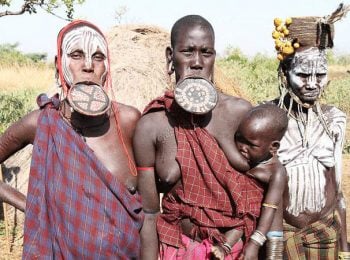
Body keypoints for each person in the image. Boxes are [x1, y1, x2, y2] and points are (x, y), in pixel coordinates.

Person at [0, 20, 144, 258]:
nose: (88, 66)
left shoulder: (127, 121)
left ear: (106, 68)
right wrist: (33, 207)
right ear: (59, 66)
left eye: (98, 57)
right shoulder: (42, 124)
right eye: (76, 55)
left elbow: (151, 205)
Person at [134, 15, 264, 260]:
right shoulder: (152, 125)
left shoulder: (239, 114)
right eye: (187, 51)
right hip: (178, 249)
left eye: (206, 52)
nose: (197, 62)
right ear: (170, 57)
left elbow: (265, 188)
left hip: (233, 250)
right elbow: (150, 213)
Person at [269, 5, 349, 259]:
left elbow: (338, 189)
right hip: (279, 233)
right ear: (284, 73)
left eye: (321, 74)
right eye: (302, 75)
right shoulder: (267, 117)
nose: (313, 84)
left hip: (324, 232)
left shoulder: (334, 119)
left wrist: (345, 247)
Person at [211, 103, 288, 260]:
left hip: (254, 223)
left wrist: (255, 243)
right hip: (224, 215)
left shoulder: (276, 172)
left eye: (251, 145)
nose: (242, 147)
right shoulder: (241, 156)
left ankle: (225, 247)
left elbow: (270, 209)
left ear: (273, 147)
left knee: (245, 220)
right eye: (239, 139)